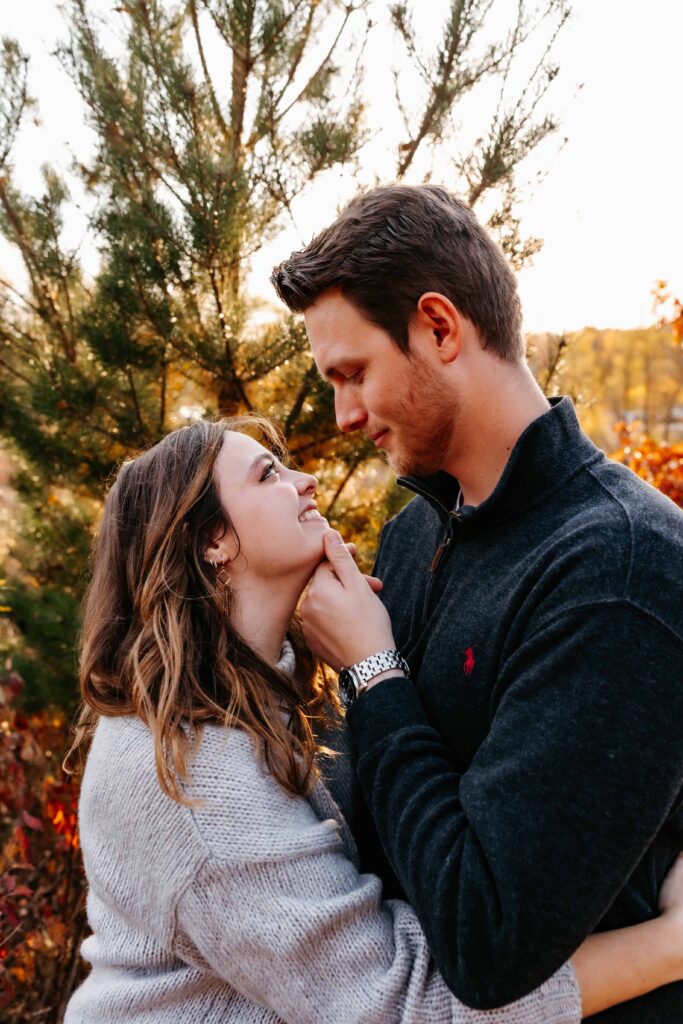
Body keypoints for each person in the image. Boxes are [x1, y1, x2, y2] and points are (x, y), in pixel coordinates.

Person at [63, 415, 683, 1023]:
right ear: (213, 540)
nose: (305, 479)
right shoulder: (191, 773)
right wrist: (669, 945)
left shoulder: (248, 702)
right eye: (267, 475)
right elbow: (400, 1006)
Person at [271, 183, 683, 1022]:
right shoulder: (410, 540)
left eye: (353, 374)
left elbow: (486, 940)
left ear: (439, 326)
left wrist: (371, 670)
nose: (343, 415)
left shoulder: (620, 567)